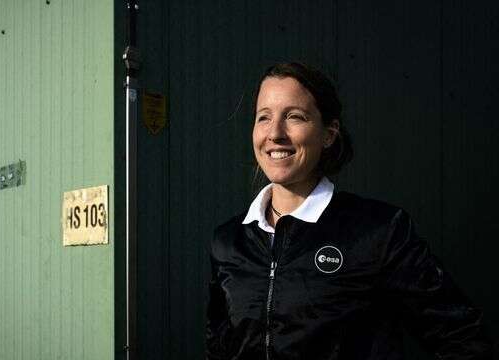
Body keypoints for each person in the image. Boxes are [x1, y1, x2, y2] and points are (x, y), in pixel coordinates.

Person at [205, 62, 493, 359]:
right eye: (263, 117)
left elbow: (462, 339)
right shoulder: (228, 242)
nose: (275, 133)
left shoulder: (378, 232)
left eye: (294, 116)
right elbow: (219, 347)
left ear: (329, 133)